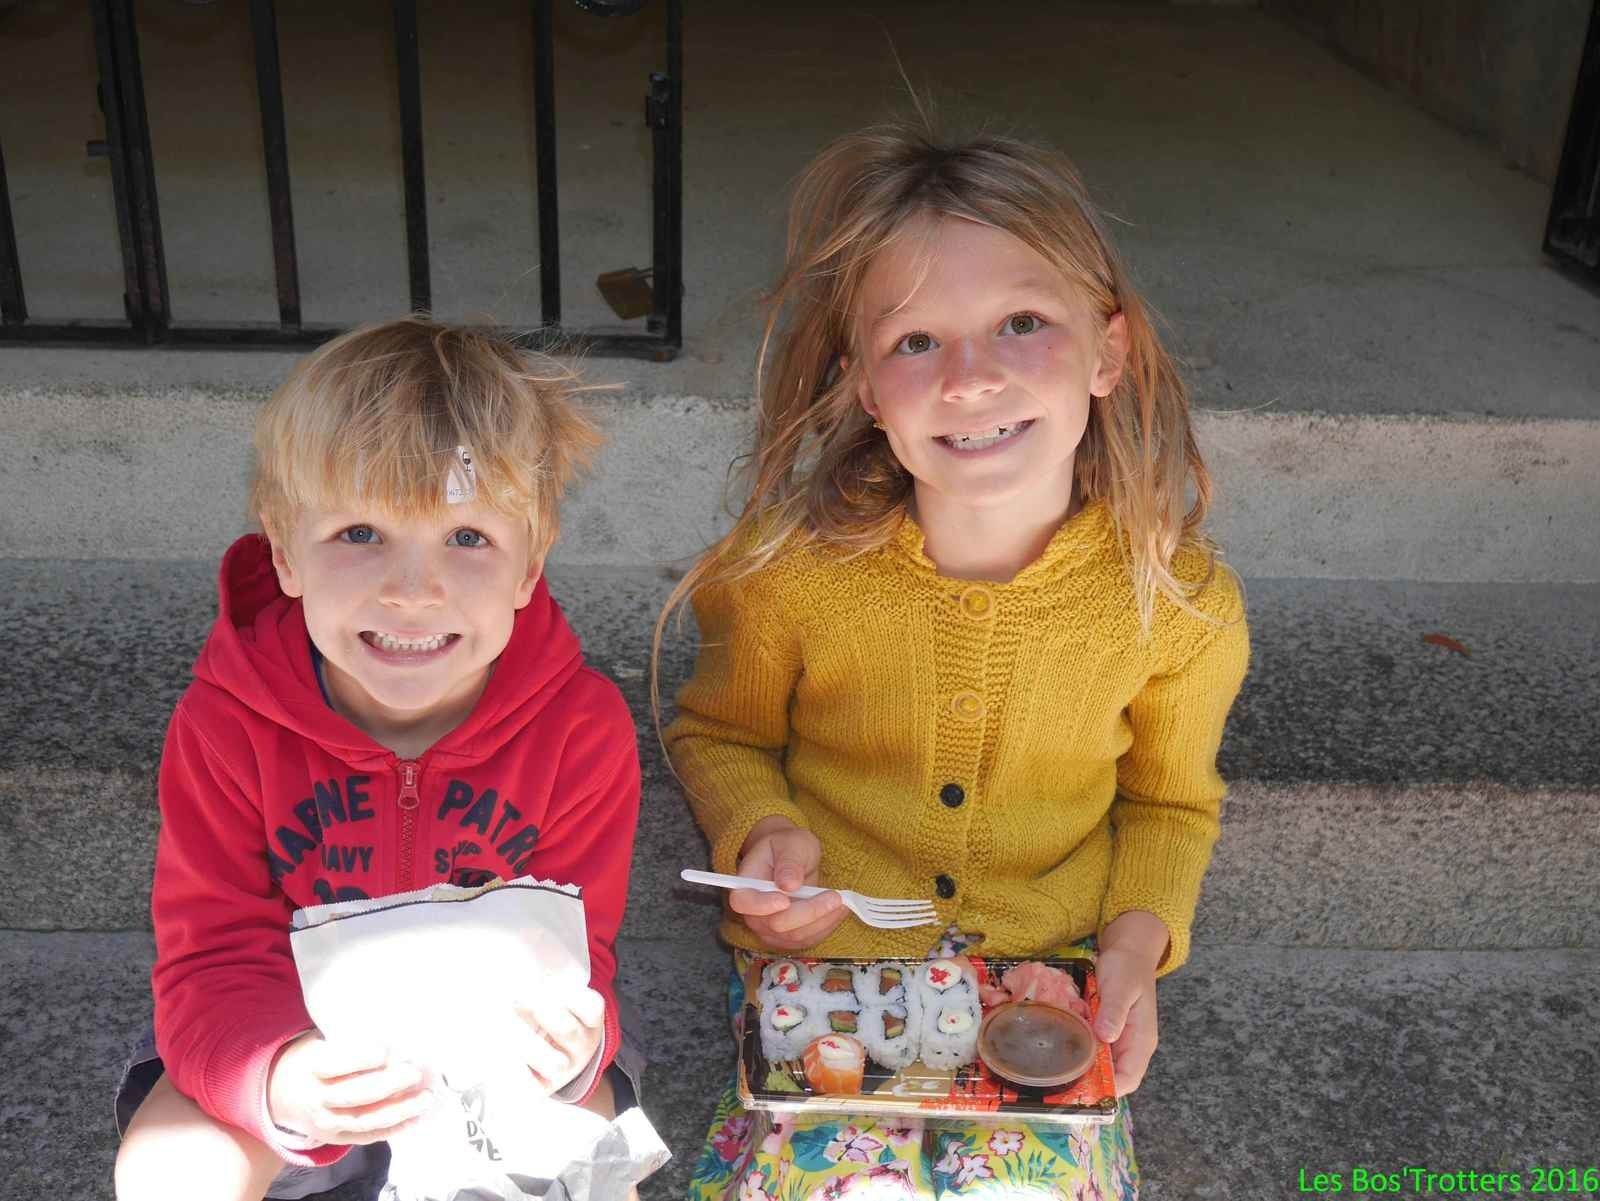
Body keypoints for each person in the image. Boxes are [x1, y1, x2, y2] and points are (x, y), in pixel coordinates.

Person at [658, 124, 1250, 1200]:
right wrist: (763, 831)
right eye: (917, 340)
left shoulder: (1179, 604)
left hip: (1044, 989)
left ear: (1108, 351)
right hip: (830, 979)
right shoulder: (788, 572)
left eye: (1022, 323)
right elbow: (720, 731)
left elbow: (1170, 805)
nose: (971, 379)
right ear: (863, 387)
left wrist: (1135, 947)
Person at [114, 318, 645, 1201]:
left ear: (530, 565)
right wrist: (280, 1077)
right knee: (168, 1170)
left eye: (467, 538)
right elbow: (212, 956)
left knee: (601, 1176)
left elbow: (577, 952)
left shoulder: (582, 728)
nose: (412, 589)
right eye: (360, 532)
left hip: (495, 1058)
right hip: (284, 1036)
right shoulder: (225, 725)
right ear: (285, 551)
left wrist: (571, 1046)